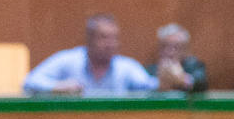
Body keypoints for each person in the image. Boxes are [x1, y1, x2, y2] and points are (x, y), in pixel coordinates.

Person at [22, 13, 158, 94]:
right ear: (89, 39)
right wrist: (56, 87)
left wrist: (166, 82)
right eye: (104, 38)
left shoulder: (126, 67)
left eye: (114, 38)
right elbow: (30, 82)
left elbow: (149, 87)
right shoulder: (68, 60)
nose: (110, 44)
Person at [146, 23, 208, 93]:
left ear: (185, 50)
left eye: (175, 47)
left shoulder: (195, 66)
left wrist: (181, 78)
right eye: (164, 46)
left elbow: (200, 84)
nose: (169, 52)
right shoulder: (151, 70)